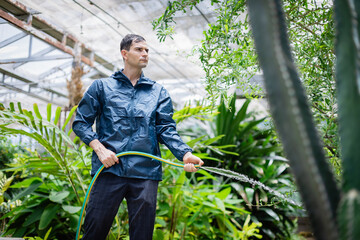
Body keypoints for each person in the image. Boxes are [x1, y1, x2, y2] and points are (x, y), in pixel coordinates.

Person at [72, 34, 204, 240]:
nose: (145, 54)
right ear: (125, 54)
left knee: (142, 236)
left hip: (145, 173)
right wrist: (100, 149)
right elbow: (80, 122)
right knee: (94, 231)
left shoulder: (158, 92)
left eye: (147, 50)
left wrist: (185, 154)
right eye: (139, 49)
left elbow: (166, 129)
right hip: (109, 170)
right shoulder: (102, 87)